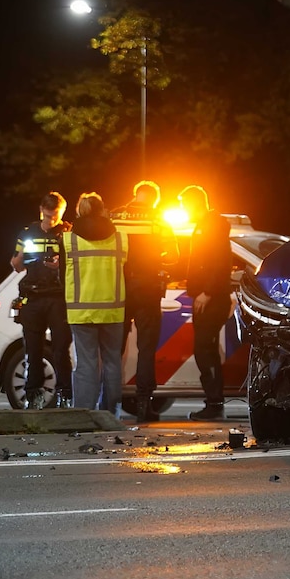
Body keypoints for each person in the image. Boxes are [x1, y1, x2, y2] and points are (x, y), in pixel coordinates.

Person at [111, 180, 179, 422]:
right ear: (154, 199)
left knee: (113, 349)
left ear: (135, 195)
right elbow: (173, 255)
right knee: (146, 349)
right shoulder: (159, 219)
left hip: (118, 289)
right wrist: (155, 259)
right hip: (148, 290)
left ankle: (109, 404)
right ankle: (143, 405)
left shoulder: (116, 215)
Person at [63, 192, 128, 415]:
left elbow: (62, 275)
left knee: (86, 364)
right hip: (112, 311)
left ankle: (83, 412)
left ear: (79, 211)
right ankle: (111, 412)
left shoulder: (69, 239)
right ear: (102, 209)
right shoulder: (119, 237)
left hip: (81, 313)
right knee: (112, 362)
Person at [10, 191, 74, 410]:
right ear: (41, 210)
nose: (50, 221)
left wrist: (60, 266)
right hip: (34, 296)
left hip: (58, 297)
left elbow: (76, 266)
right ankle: (33, 395)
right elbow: (17, 264)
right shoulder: (28, 232)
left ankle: (65, 395)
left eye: (54, 216)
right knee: (33, 351)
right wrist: (17, 261)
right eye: (47, 216)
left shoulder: (68, 233)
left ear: (61, 213)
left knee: (60, 350)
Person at [178, 185, 231, 421]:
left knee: (205, 351)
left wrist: (207, 292)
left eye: (185, 206)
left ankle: (214, 404)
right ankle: (213, 403)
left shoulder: (213, 227)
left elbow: (220, 263)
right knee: (204, 351)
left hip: (212, 300)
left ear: (195, 204)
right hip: (206, 298)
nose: (184, 211)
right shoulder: (205, 226)